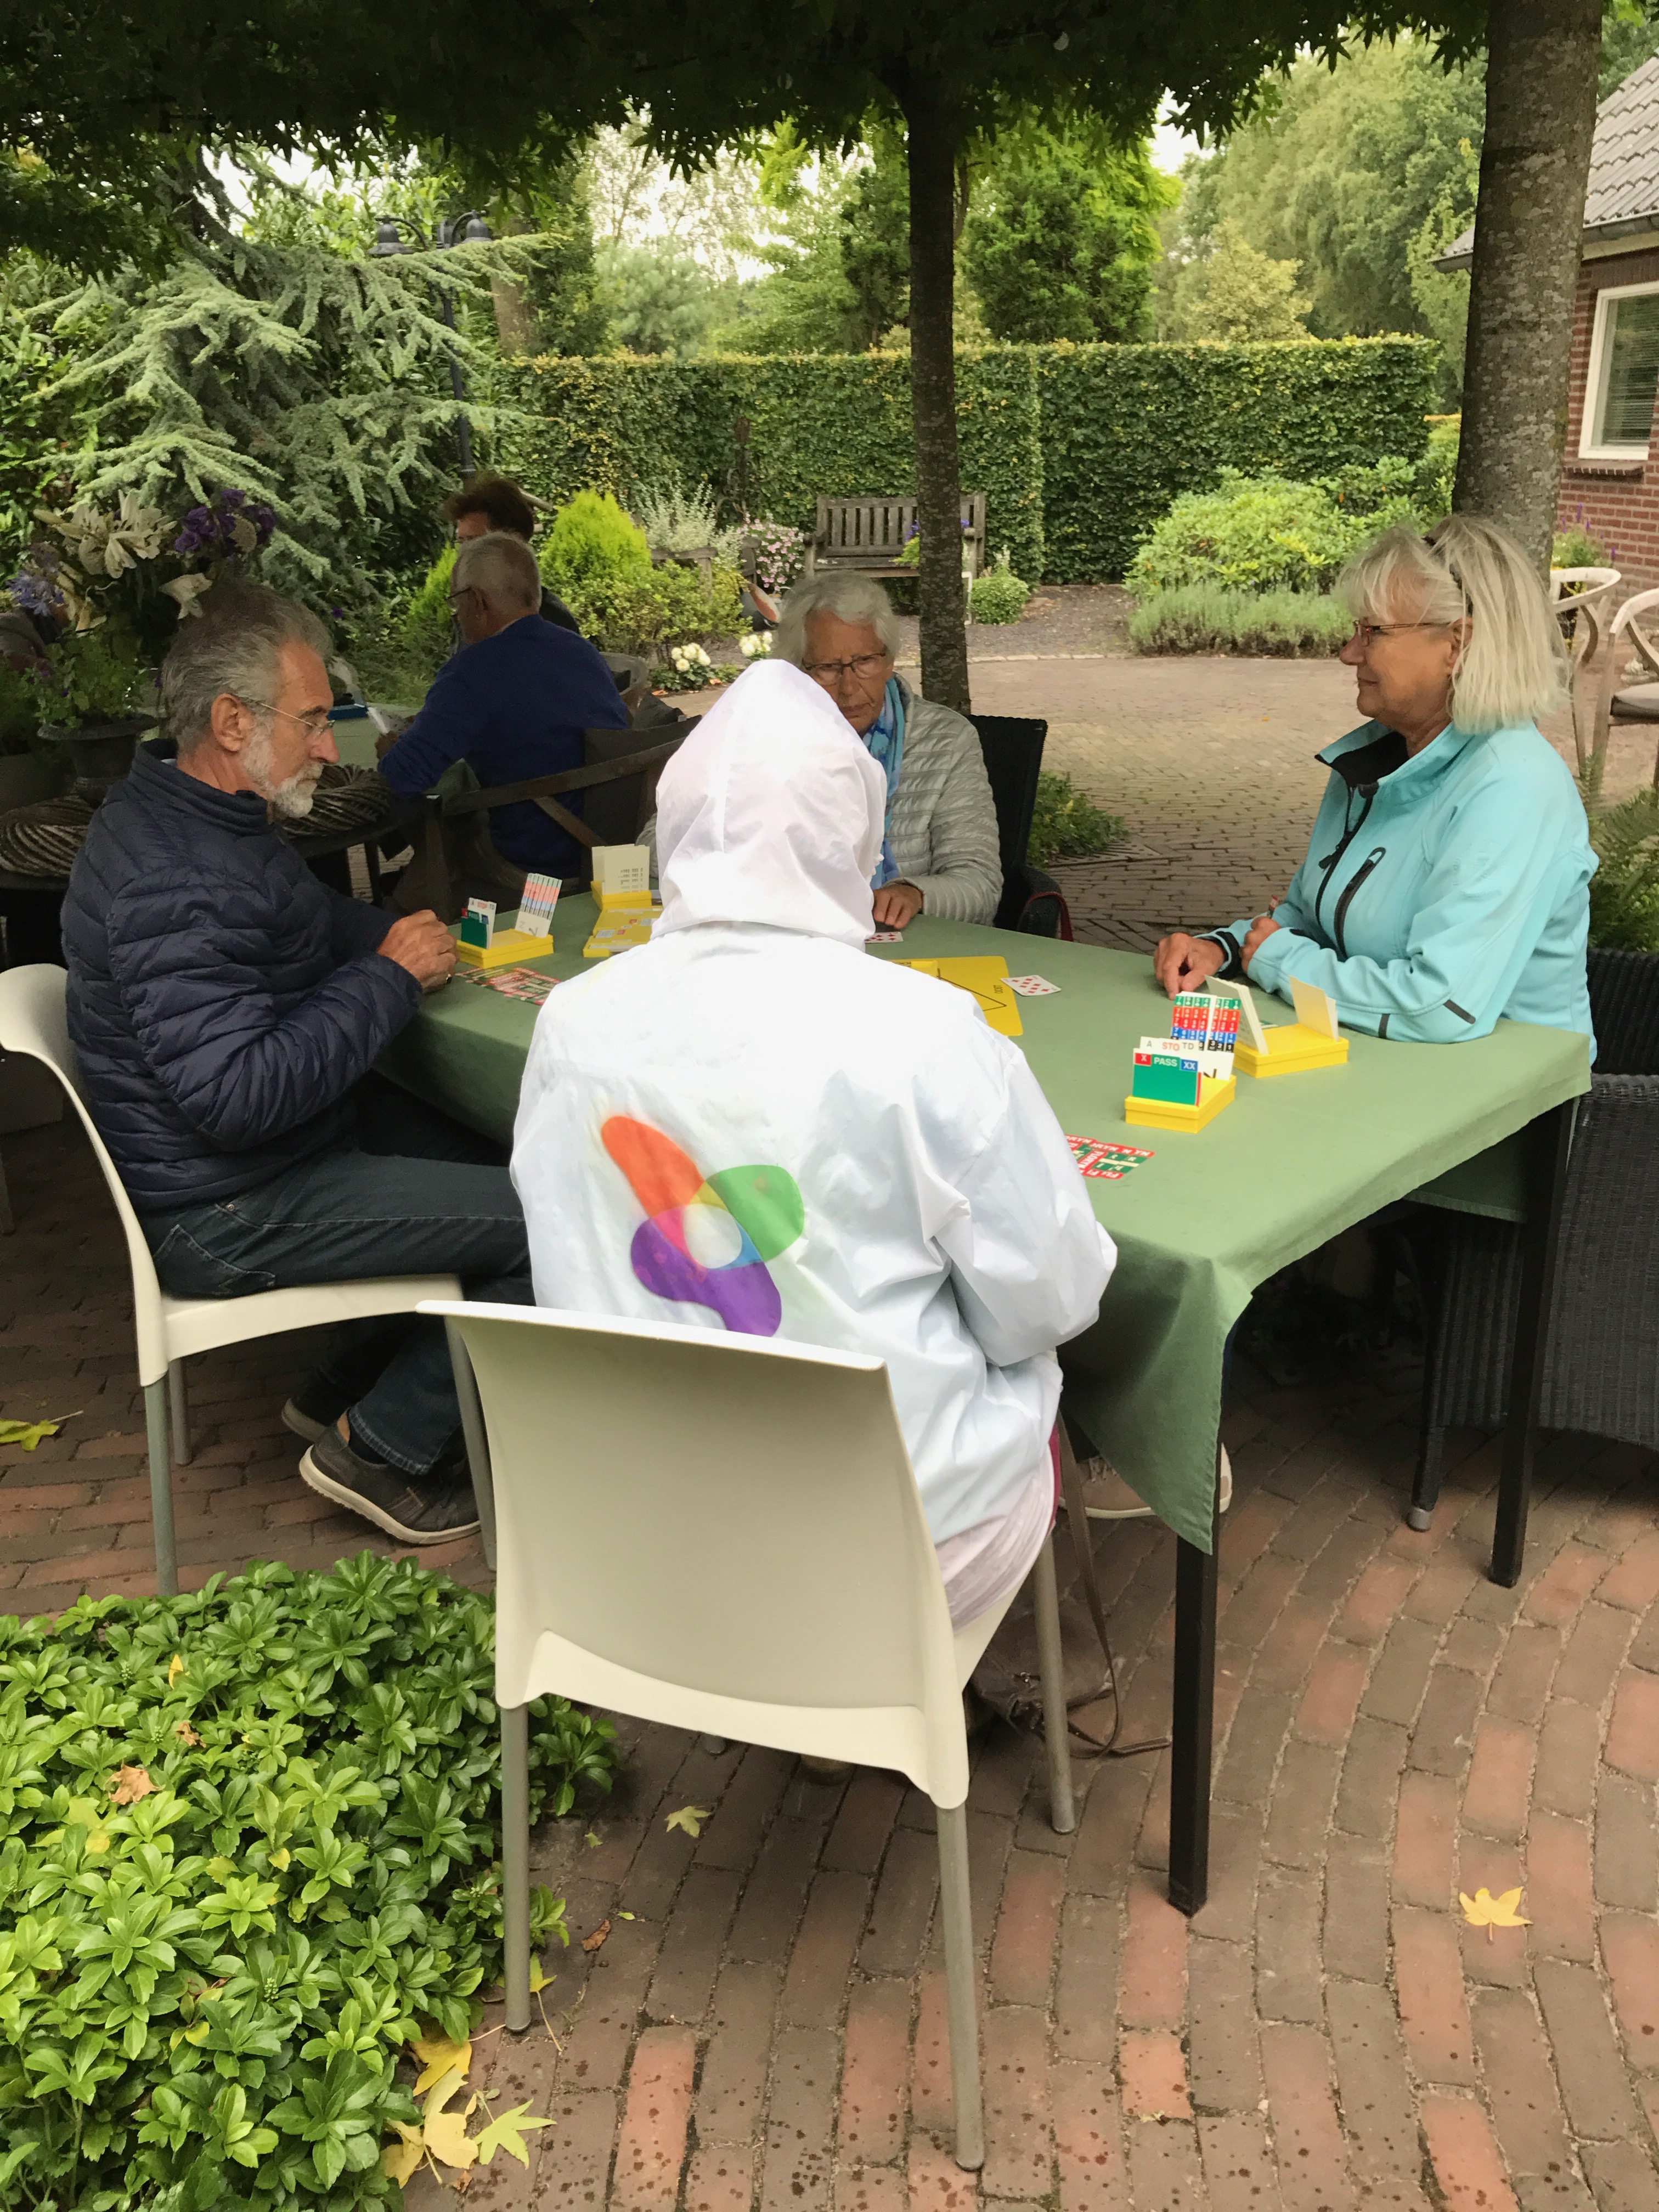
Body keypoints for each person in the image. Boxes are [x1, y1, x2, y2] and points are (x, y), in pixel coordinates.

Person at [513, 659, 1115, 1628]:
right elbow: (1052, 1298)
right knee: (1023, 1383)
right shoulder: (926, 1031)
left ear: (675, 830)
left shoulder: (571, 1021)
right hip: (887, 1562)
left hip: (638, 1543)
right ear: (855, 837)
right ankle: (944, 1673)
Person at [61, 582, 533, 1543]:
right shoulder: (178, 880)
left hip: (258, 1159)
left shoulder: (196, 816)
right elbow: (236, 1097)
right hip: (225, 1204)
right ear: (232, 722)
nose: (328, 746)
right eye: (313, 720)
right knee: (550, 1214)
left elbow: (306, 924)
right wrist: (389, 978)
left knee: (500, 1150)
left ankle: (336, 1387)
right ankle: (387, 1450)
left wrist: (395, 938)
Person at [1154, 516, 1597, 1047]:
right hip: (1378, 1065)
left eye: (1374, 632)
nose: (1349, 652)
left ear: (1457, 645)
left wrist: (1278, 961)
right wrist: (1222, 949)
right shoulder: (1377, 758)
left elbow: (1438, 1006)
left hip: (1510, 1091)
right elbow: (1308, 919)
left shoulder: (1513, 787)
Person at [376, 532, 628, 881]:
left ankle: (417, 895)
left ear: (477, 601)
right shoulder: (581, 650)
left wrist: (391, 750)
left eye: (456, 603)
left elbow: (402, 777)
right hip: (609, 847)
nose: (457, 616)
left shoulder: (471, 671)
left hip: (528, 863)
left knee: (439, 828)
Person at [774, 571, 1002, 928]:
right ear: (799, 672)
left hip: (917, 947)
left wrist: (915, 893)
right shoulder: (768, 738)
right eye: (828, 668)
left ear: (889, 662)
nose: (849, 687)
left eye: (865, 662)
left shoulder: (946, 740)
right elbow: (688, 856)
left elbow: (980, 885)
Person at [443, 471, 582, 635]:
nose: (464, 556)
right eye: (462, 543)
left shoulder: (551, 622)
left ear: (516, 542)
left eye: (475, 542)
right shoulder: (472, 613)